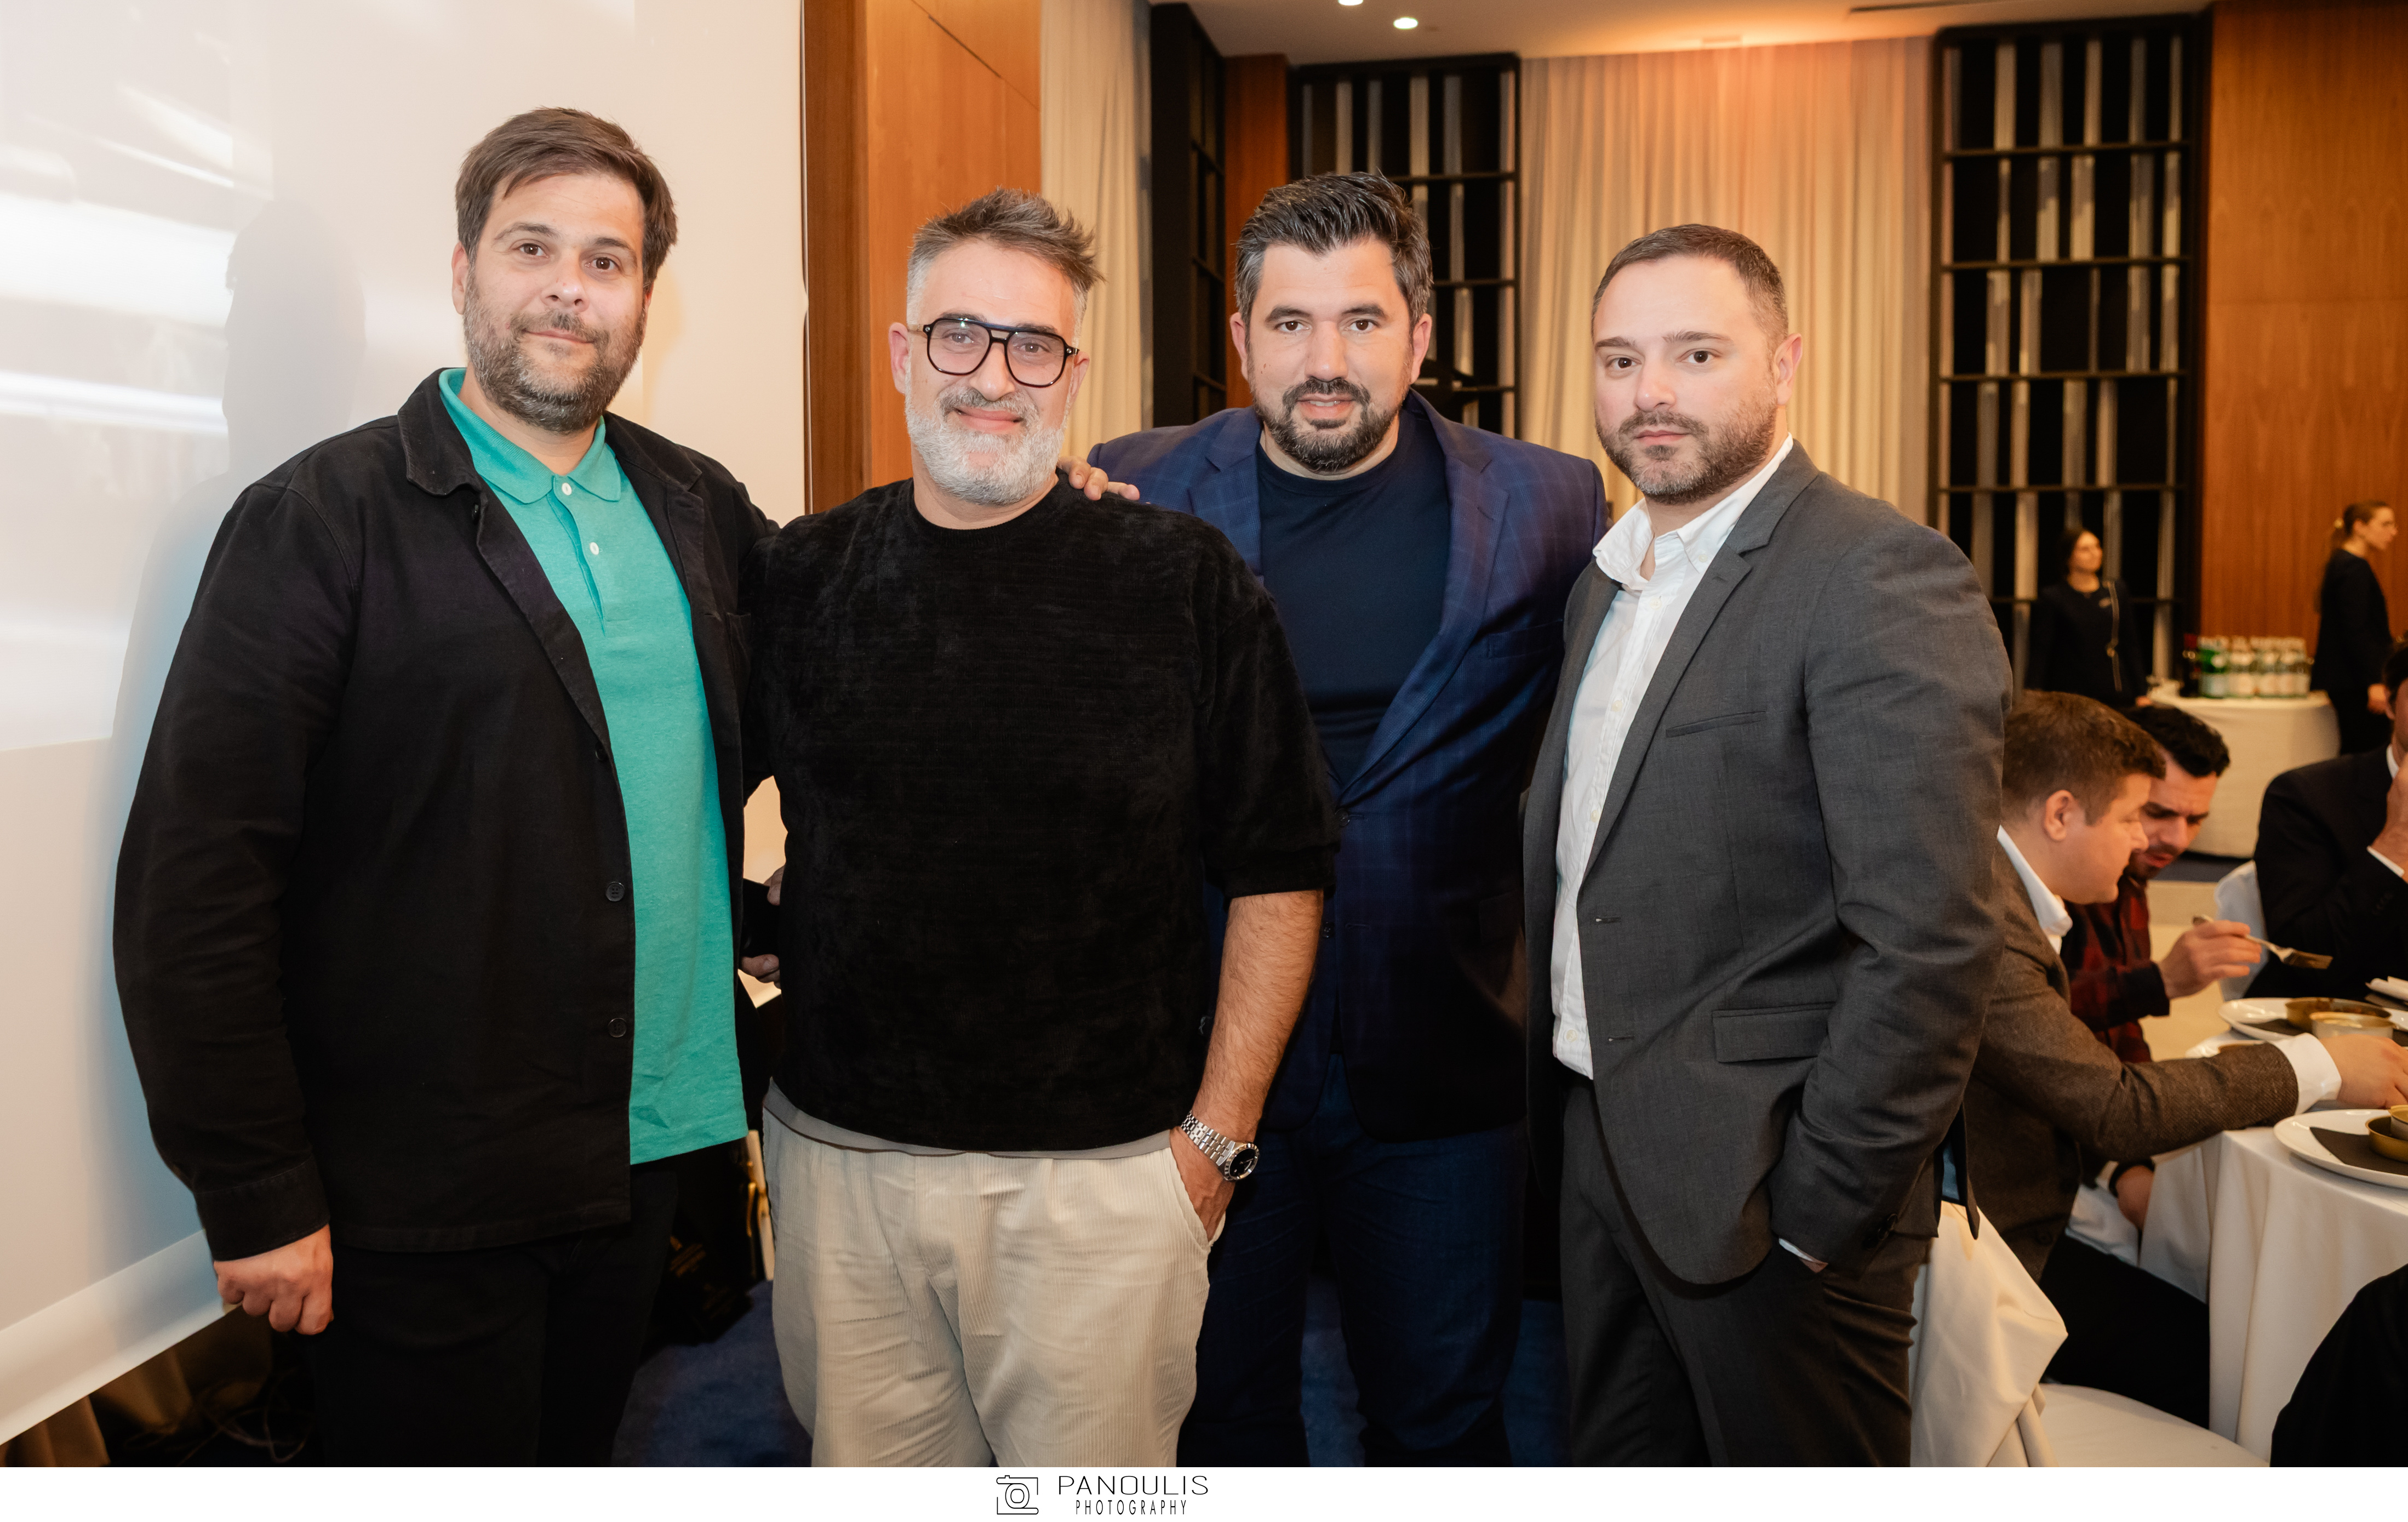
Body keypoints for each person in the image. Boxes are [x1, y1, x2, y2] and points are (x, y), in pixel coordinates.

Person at [115, 109, 774, 1464]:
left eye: (606, 259)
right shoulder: (321, 519)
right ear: (464, 269)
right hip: (418, 1192)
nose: (568, 287)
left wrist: (1052, 518)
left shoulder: (698, 507)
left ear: (645, 296)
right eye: (532, 247)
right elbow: (198, 876)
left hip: (649, 1148)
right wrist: (255, 1185)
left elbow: (861, 652)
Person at [739, 189, 1341, 1468]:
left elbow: (1281, 874)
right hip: (844, 1175)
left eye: (1032, 346)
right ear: (902, 354)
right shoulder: (800, 576)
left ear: (1072, 373)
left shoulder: (1183, 583)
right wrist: (767, 924)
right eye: (958, 334)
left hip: (1106, 1185)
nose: (992, 377)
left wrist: (1212, 1146)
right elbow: (677, 805)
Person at [1089, 173, 1604, 1467]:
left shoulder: (1550, 504)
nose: (1325, 360)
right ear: (1240, 337)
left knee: (1444, 1428)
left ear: (1420, 336)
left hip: (1443, 1061)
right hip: (1205, 1060)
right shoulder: (1133, 487)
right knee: (1218, 1422)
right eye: (1290, 323)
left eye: (1362, 321)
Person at [1527, 223, 2008, 1466]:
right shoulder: (1603, 580)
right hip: (1600, 1150)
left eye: (1695, 353)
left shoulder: (1874, 574)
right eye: (1618, 358)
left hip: (1768, 1193)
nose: (1650, 391)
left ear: (1783, 362)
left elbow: (1929, 940)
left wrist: (1819, 1208)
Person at [1967, 691, 2408, 1423]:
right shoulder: (1988, 923)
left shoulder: (2015, 895)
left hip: (2011, 1217)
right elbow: (2113, 1105)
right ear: (2060, 814)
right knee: (2232, 1364)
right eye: (2134, 817)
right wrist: (2322, 1065)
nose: (2147, 841)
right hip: (1984, 1253)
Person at [2061, 703, 2261, 1059]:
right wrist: (2161, 980)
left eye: (2195, 820)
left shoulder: (2132, 875)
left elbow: (2122, 1033)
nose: (2179, 840)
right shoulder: (2048, 881)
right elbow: (2025, 1021)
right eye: (2156, 812)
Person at [2250, 636, 2408, 996]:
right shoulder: (2306, 796)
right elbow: (2306, 958)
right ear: (2390, 702)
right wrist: (2397, 841)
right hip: (2340, 1010)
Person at [2025, 525, 2147, 709]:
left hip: (2113, 690)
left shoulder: (2115, 591)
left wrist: (2141, 692)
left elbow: (2131, 643)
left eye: (2097, 546)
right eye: (2085, 549)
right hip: (2071, 694)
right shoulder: (2054, 597)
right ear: (2068, 556)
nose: (2094, 553)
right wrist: (2032, 696)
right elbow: (2041, 651)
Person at [2313, 499, 2396, 755]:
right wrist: (2374, 681)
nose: (2393, 532)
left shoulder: (2345, 563)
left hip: (2350, 680)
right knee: (2366, 754)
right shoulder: (2352, 568)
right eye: (2386, 524)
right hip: (2356, 681)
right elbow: (2356, 630)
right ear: (2359, 527)